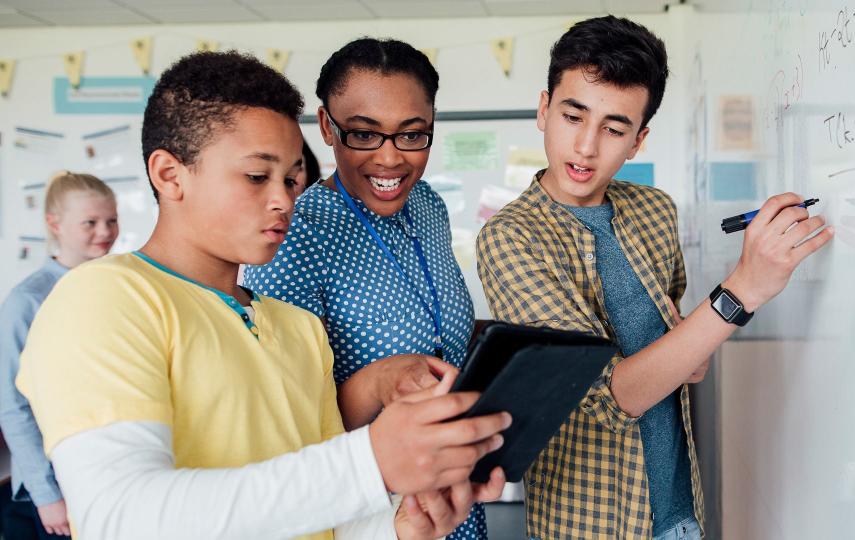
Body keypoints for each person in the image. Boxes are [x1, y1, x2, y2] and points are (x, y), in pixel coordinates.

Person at [16, 51, 508, 540]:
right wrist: (372, 461)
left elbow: (324, 517)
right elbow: (120, 516)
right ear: (169, 174)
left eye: (292, 178)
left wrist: (398, 525)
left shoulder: (298, 328)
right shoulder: (104, 299)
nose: (284, 199)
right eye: (257, 176)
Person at [475, 16, 833, 540]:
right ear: (542, 110)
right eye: (573, 116)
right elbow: (606, 399)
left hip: (680, 510)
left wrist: (692, 346)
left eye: (614, 129)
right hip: (590, 523)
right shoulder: (510, 238)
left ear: (638, 140)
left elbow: (682, 350)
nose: (587, 146)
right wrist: (742, 290)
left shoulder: (654, 211)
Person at [245, 37, 489, 540]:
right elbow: (288, 425)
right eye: (364, 135)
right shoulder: (294, 234)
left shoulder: (428, 207)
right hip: (372, 512)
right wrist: (379, 379)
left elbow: (437, 334)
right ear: (326, 127)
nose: (390, 159)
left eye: (412, 135)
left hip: (455, 496)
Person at [0, 171, 118, 539]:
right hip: (54, 486)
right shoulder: (28, 300)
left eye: (111, 220)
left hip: (106, 474)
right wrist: (47, 494)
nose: (105, 231)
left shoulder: (117, 285)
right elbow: (13, 405)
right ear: (55, 224)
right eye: (91, 222)